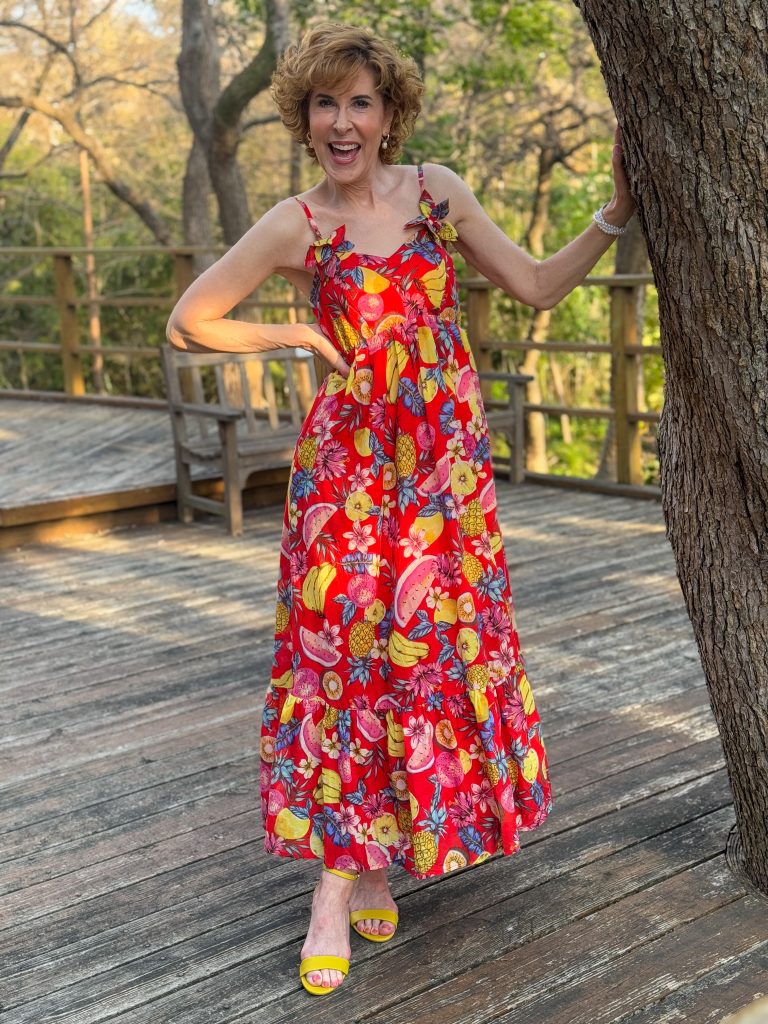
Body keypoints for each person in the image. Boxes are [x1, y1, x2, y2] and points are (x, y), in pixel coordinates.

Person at [166, 23, 636, 998]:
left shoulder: (438, 192)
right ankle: (335, 889)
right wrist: (296, 326)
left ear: (390, 116)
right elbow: (191, 318)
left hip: (440, 478)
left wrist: (616, 214)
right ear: (304, 118)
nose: (344, 122)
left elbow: (539, 282)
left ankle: (372, 854)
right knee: (344, 657)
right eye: (326, 104)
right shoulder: (298, 223)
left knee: (419, 657)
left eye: (361, 103)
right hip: (347, 471)